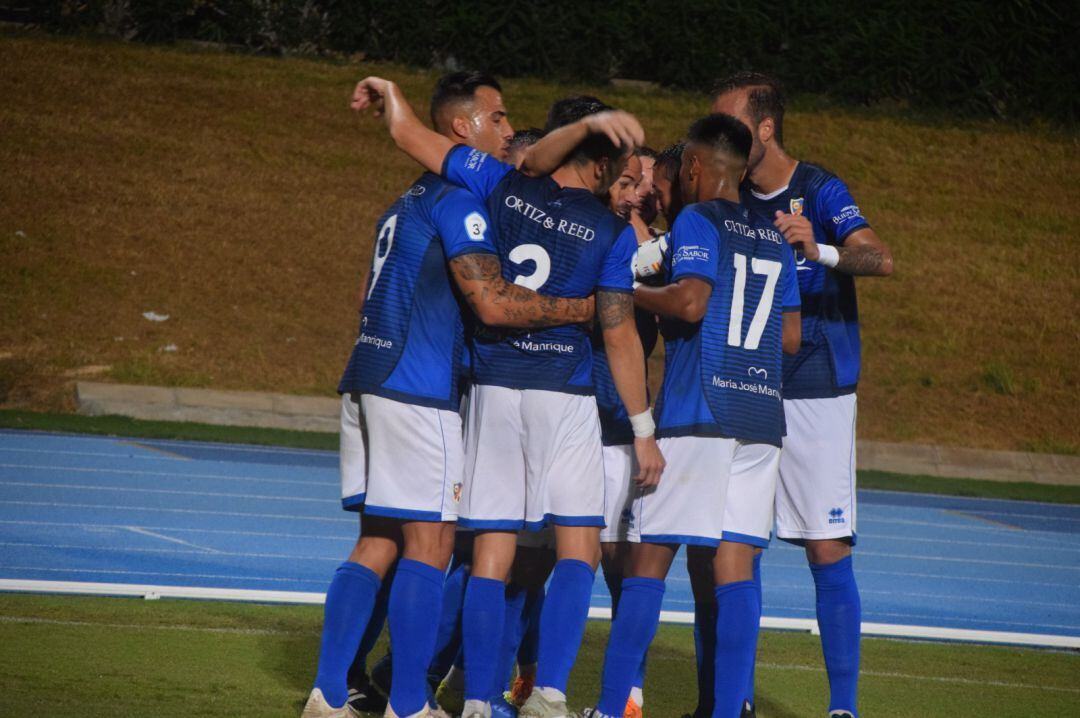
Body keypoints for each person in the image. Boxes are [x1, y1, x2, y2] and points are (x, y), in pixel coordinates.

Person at [351, 78, 665, 718]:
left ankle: (477, 701)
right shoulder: (611, 234)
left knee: (491, 552)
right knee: (577, 545)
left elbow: (413, 136)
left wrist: (389, 95)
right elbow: (620, 333)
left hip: (492, 390)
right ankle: (548, 694)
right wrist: (642, 427)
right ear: (603, 163)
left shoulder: (502, 186)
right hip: (565, 396)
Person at [303, 70, 597, 718]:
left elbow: (364, 298)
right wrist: (582, 308)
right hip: (417, 389)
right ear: (463, 127)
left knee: (379, 538)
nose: (507, 128)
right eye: (498, 117)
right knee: (432, 543)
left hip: (366, 377)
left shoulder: (406, 199)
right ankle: (410, 703)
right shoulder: (461, 201)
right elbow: (491, 303)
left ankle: (328, 693)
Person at [585, 113, 800, 718]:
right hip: (761, 418)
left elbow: (692, 300)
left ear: (699, 168)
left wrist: (622, 293)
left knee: (648, 558)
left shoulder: (698, 219)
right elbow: (788, 338)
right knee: (734, 567)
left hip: (700, 413)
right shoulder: (772, 237)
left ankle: (607, 708)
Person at [710, 71, 894, 718]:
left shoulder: (818, 189)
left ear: (765, 128)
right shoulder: (727, 196)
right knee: (737, 542)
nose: (722, 139)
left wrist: (822, 250)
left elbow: (880, 257)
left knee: (825, 546)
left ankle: (842, 708)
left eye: (734, 126)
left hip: (818, 387)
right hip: (748, 385)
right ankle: (733, 704)